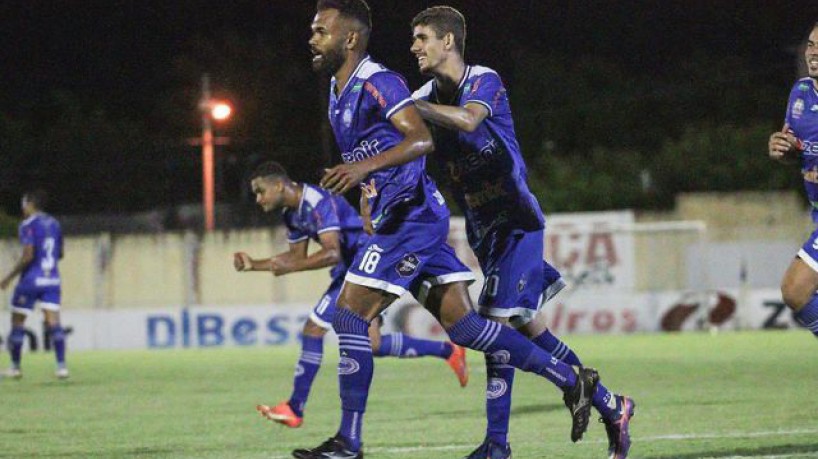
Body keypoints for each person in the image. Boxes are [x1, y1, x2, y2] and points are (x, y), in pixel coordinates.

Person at [293, 1, 600, 458]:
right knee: (469, 326)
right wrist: (367, 193)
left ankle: (350, 441)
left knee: (349, 315)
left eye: (321, 31)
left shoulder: (392, 82)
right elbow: (378, 152)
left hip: (467, 219)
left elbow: (423, 137)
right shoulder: (342, 94)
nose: (312, 39)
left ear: (350, 38)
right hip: (450, 219)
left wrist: (393, 132)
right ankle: (574, 382)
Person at [408, 6, 635, 458]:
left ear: (448, 41)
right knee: (529, 332)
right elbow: (408, 140)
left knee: (491, 328)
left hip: (516, 222)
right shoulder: (425, 95)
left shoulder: (481, 79)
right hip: (482, 229)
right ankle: (613, 404)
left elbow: (471, 120)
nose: (414, 46)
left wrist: (416, 108)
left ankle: (497, 445)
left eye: (422, 37)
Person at [234, 161, 469, 428]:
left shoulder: (317, 201)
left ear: (278, 185)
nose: (258, 198)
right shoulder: (292, 214)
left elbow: (331, 253)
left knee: (313, 329)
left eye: (260, 191)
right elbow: (295, 257)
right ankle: (447, 350)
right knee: (373, 345)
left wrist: (284, 267)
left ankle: (294, 407)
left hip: (365, 265)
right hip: (351, 270)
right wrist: (256, 265)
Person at [769, 22, 818, 340]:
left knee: (795, 288)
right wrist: (782, 148)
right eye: (812, 45)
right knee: (795, 292)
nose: (813, 53)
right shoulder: (800, 93)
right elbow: (795, 148)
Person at [1, 190, 68, 379]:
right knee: (53, 321)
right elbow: (61, 253)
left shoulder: (28, 225)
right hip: (52, 279)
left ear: (31, 204)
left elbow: (28, 255)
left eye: (24, 204)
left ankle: (15, 367)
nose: (22, 209)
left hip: (31, 280)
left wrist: (9, 277)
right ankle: (62, 367)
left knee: (18, 322)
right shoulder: (55, 224)